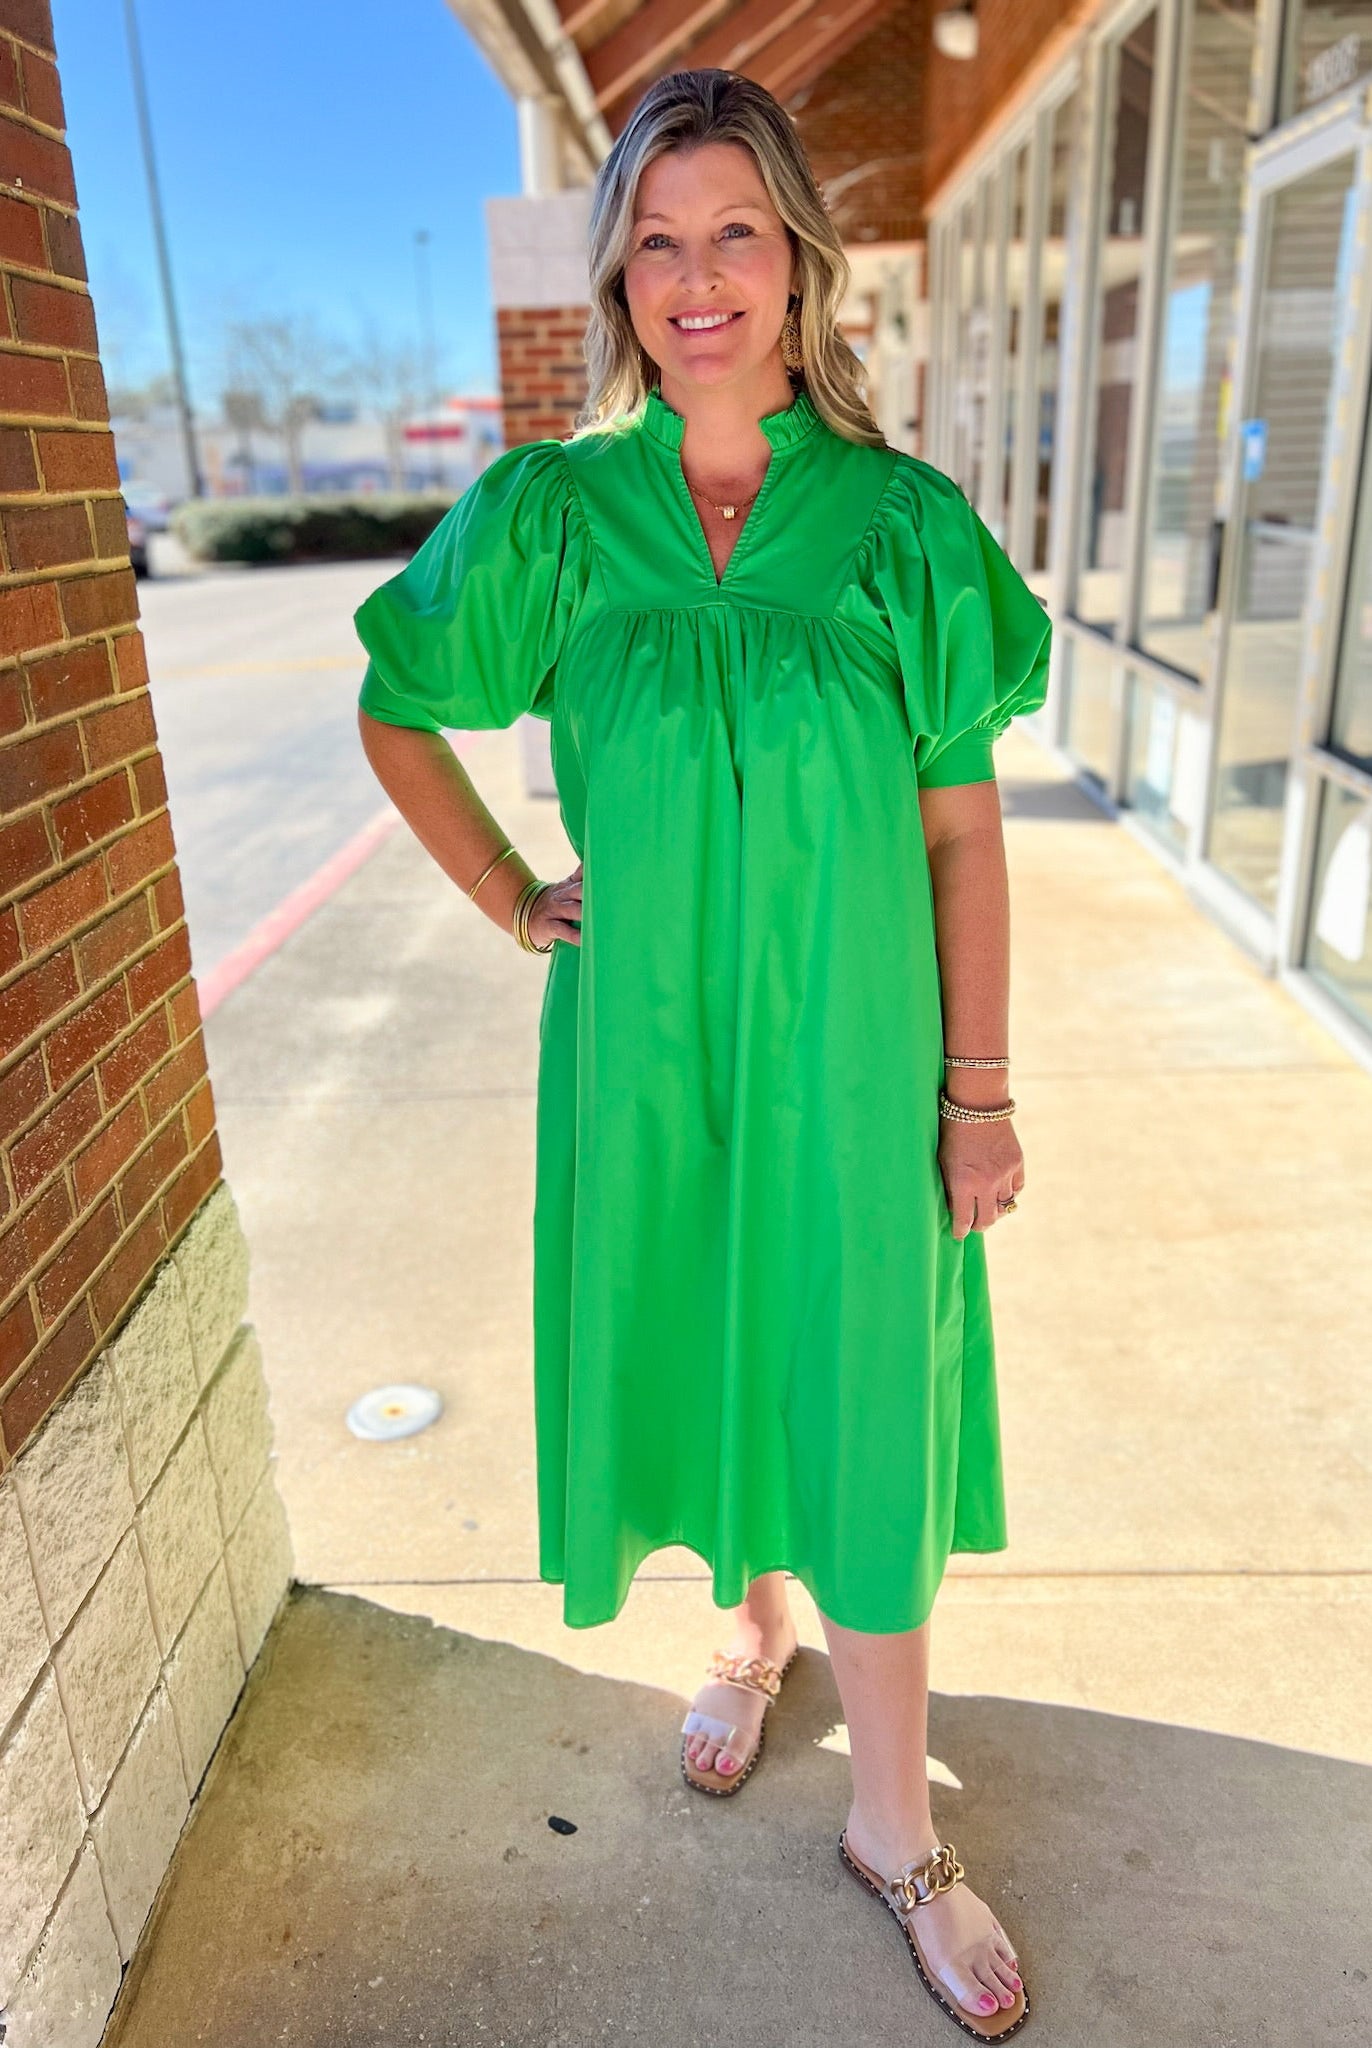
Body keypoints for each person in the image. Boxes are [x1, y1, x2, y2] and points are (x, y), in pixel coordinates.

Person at [355, 67, 1049, 2043]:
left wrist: (978, 1091)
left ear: (798, 260)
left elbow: (959, 836)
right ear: (618, 282)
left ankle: (895, 1827)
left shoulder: (902, 530)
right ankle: (748, 1632)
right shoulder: (555, 519)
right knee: (694, 1337)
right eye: (656, 241)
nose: (697, 275)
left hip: (859, 1072)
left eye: (735, 229)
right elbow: (400, 704)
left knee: (863, 1395)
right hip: (644, 1067)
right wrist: (512, 895)